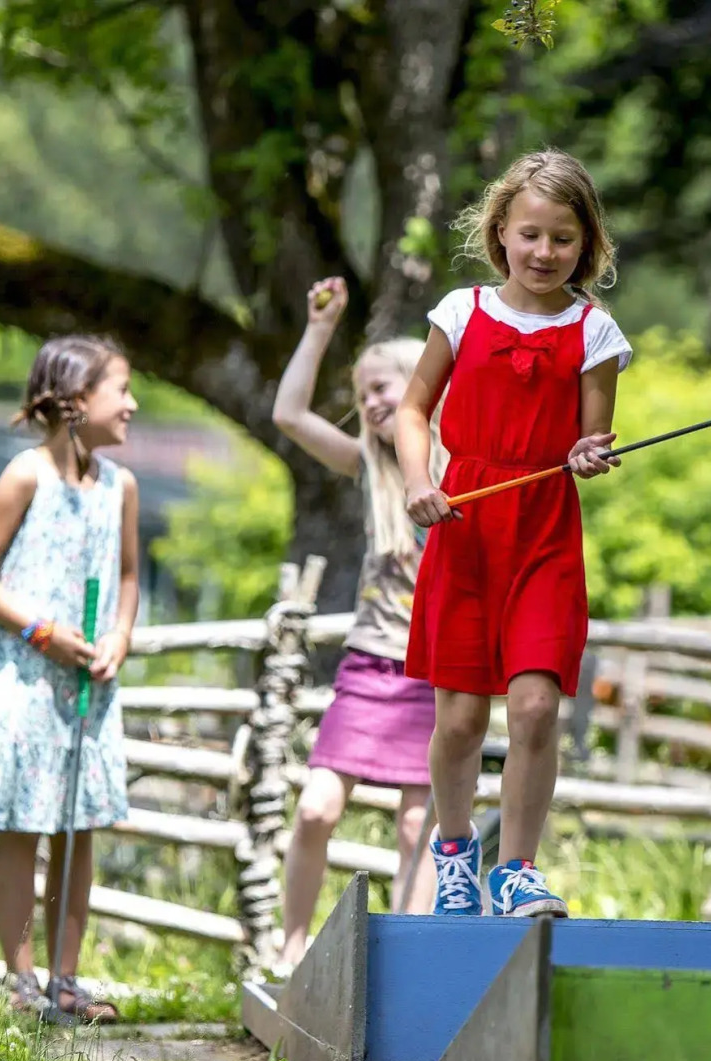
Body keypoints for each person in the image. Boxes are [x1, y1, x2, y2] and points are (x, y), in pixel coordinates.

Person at [396, 148, 632, 918]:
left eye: (562, 238)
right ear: (500, 231)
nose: (543, 253)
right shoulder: (461, 312)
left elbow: (592, 438)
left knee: (535, 707)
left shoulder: (595, 330)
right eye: (529, 234)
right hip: (464, 521)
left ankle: (518, 869)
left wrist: (588, 454)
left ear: (586, 244)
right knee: (461, 718)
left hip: (544, 532)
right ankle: (456, 851)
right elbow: (411, 410)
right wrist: (418, 482)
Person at [0, 334, 141, 1023]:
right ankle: (22, 985)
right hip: (23, 677)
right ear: (78, 403)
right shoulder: (26, 475)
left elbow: (130, 575)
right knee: (21, 825)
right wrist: (39, 632)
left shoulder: (121, 488)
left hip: (86, 684)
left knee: (77, 827)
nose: (133, 405)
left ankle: (66, 982)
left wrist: (119, 635)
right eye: (122, 391)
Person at [270, 277, 451, 966]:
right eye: (364, 392)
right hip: (370, 665)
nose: (372, 402)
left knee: (416, 827)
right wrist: (319, 329)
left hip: (433, 672)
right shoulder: (370, 464)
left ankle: (406, 958)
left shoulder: (461, 466)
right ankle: (288, 949)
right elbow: (288, 415)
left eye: (385, 388)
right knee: (315, 807)